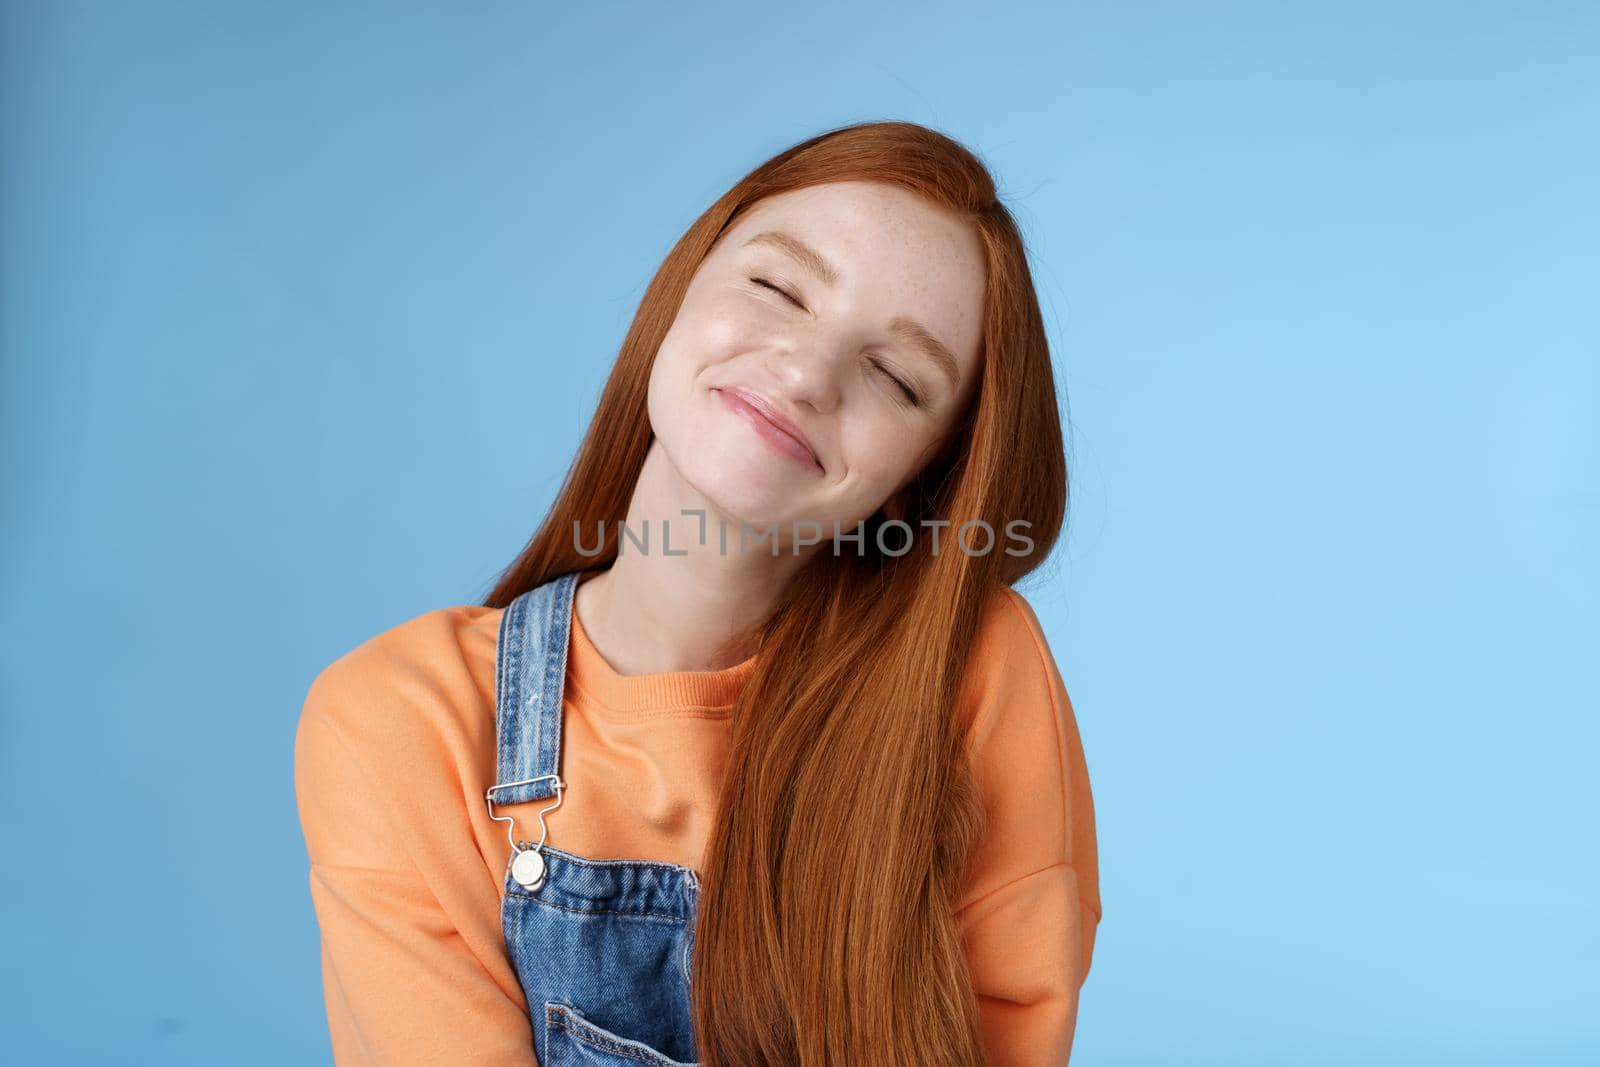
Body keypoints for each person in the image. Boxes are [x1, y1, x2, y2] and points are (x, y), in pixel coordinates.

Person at [294, 119, 1102, 1066]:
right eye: (777, 286)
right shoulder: (399, 720)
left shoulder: (970, 674)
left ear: (921, 478)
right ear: (678, 293)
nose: (806, 373)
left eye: (893, 375)